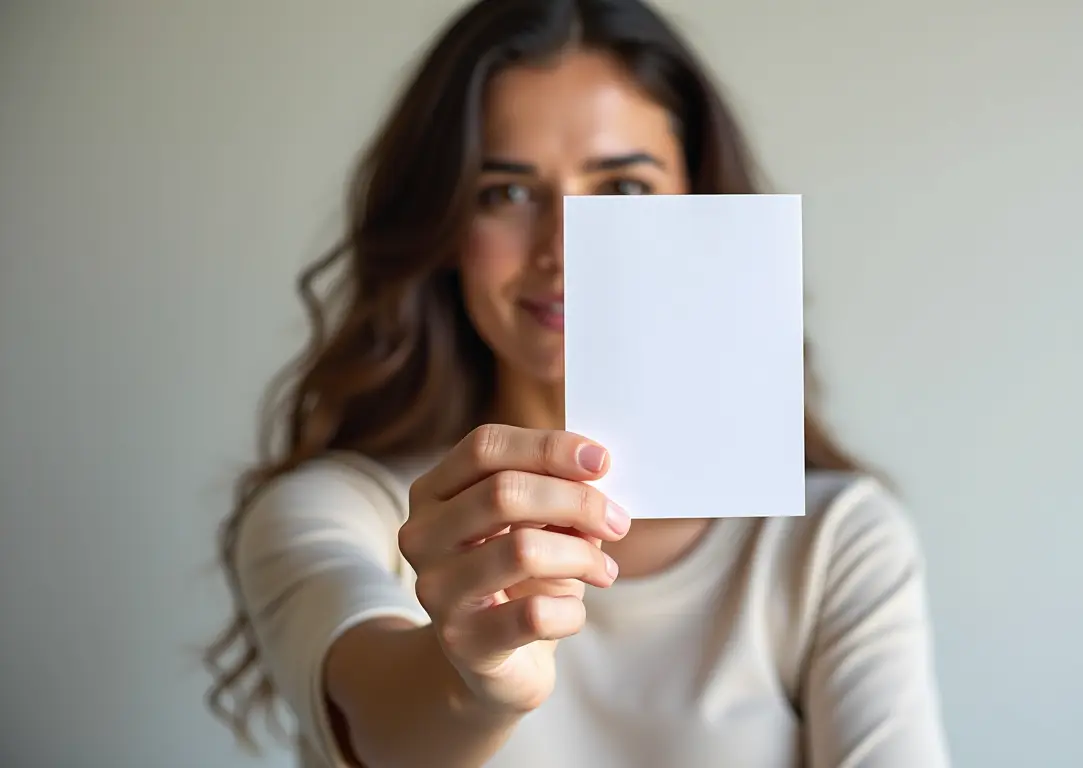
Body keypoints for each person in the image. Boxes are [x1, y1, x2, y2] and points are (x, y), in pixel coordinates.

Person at [204, 0, 950, 766]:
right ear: (444, 227)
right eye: (506, 192)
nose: (564, 250)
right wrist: (476, 683)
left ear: (699, 206)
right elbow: (378, 726)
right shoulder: (338, 514)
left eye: (622, 189)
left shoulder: (831, 542)